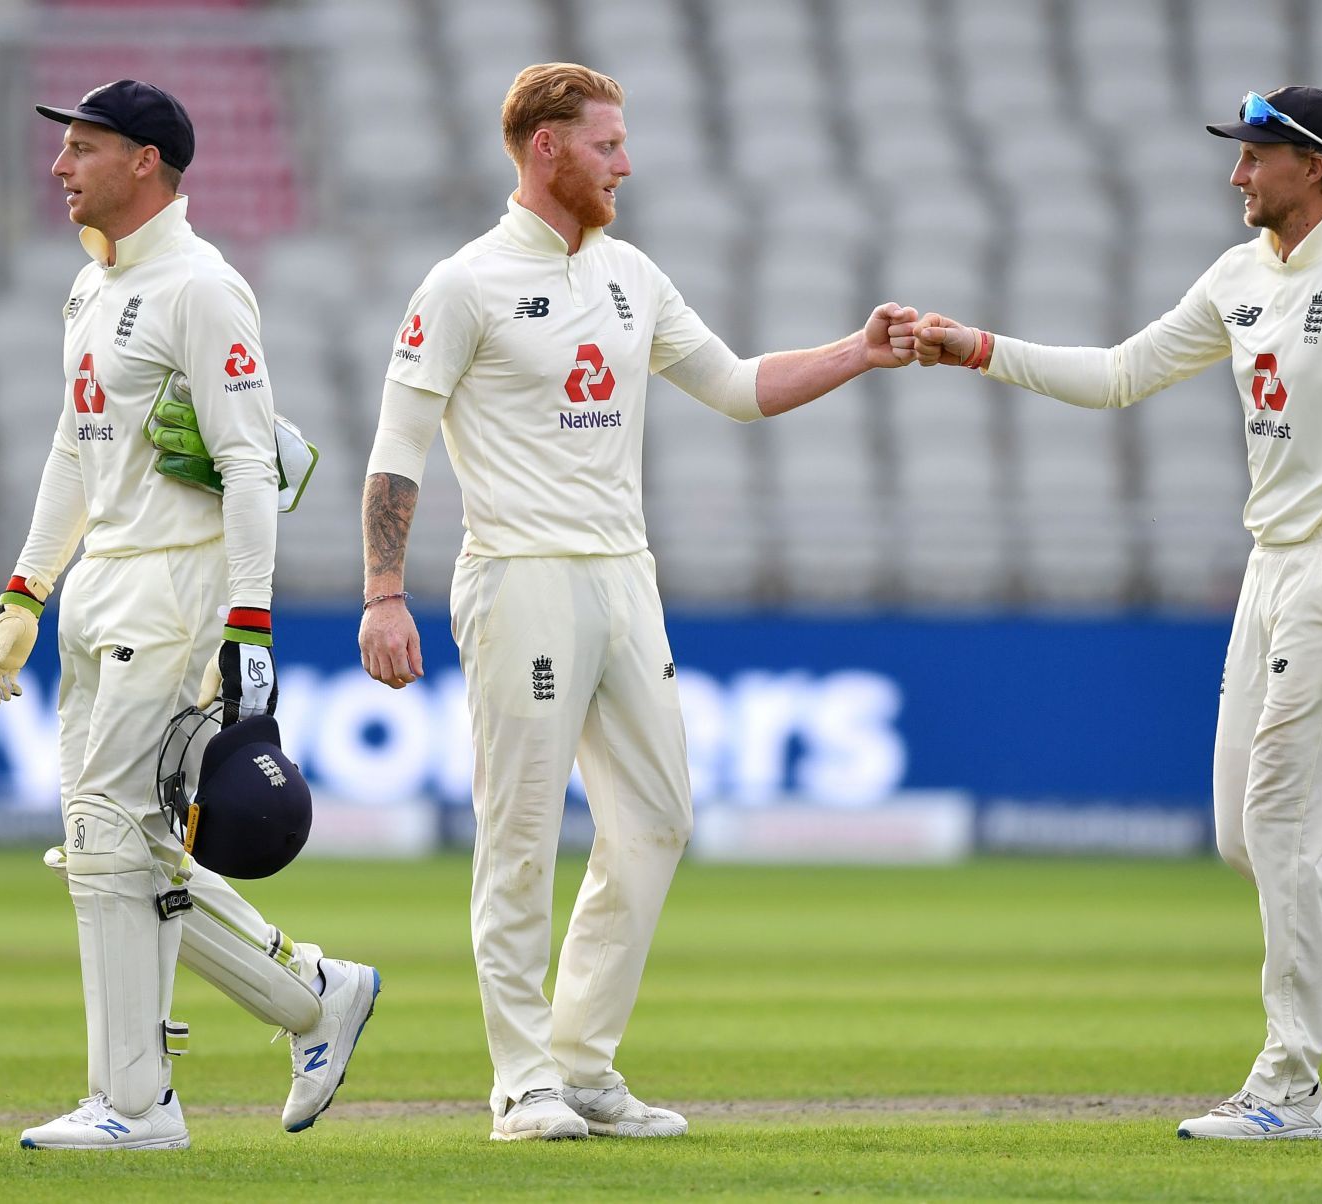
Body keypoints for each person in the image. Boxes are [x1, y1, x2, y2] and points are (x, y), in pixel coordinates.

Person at [904, 86, 1322, 1141]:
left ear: (1318, 168)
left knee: (1282, 826)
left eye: (1258, 157)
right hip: (1269, 564)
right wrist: (974, 345)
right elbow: (1118, 375)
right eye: (1239, 156)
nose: (1238, 174)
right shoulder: (1241, 276)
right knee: (1252, 837)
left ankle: (1289, 1085)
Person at [357, 62, 918, 1142]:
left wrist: (859, 351)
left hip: (625, 573)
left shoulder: (632, 276)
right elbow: (397, 450)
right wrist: (385, 591)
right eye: (608, 144)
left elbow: (738, 386)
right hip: (520, 574)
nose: (627, 162)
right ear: (548, 148)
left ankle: (582, 1065)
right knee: (518, 833)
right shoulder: (464, 283)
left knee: (658, 817)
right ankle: (522, 1080)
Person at [0, 79, 379, 1151]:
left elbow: (249, 463)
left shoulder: (204, 288)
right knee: (109, 843)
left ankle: (138, 1103)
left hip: (179, 589)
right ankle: (312, 991)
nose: (60, 168)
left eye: (85, 149)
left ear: (145, 161)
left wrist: (250, 623)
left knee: (110, 834)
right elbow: (72, 449)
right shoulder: (90, 291)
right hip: (102, 582)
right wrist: (25, 589)